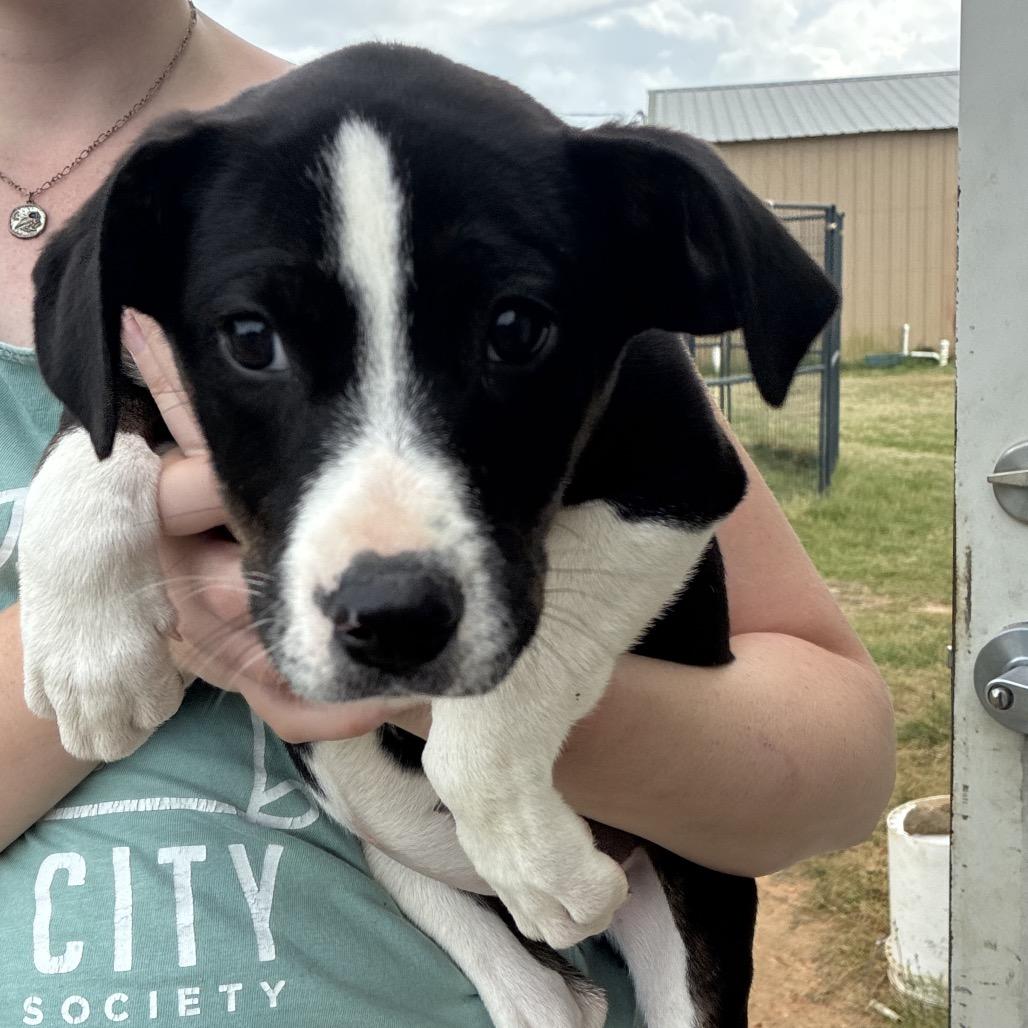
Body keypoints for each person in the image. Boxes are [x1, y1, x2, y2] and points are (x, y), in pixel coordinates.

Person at [0, 1, 895, 1024]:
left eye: (512, 329)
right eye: (251, 337)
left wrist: (488, 722)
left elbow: (836, 763)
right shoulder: (197, 200)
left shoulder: (476, 162)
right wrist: (131, 594)